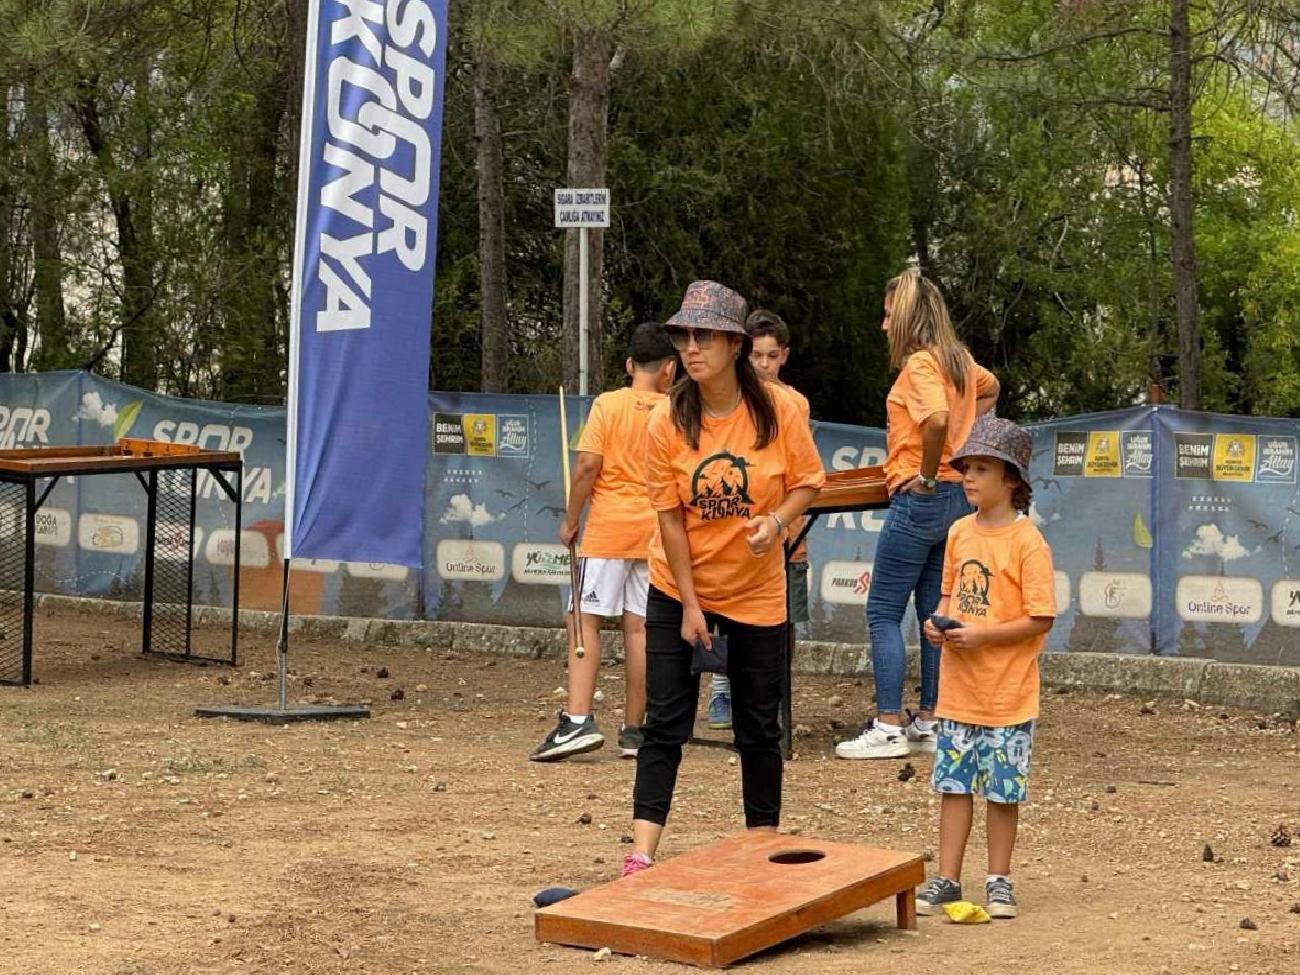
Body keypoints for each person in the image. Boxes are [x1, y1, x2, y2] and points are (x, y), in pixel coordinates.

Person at [623, 281, 824, 877]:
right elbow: (669, 517)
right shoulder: (666, 418)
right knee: (664, 721)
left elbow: (809, 482)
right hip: (677, 586)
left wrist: (778, 522)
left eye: (705, 335)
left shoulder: (780, 409)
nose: (691, 346)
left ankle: (763, 849)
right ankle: (641, 853)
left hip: (757, 591)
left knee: (759, 726)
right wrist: (689, 605)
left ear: (736, 343)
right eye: (685, 334)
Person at [836, 268, 999, 760]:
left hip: (923, 498)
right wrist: (965, 448)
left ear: (907, 318)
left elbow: (937, 420)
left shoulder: (921, 367)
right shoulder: (960, 361)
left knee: (883, 610)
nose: (884, 326)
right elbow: (989, 390)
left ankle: (888, 723)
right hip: (955, 500)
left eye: (889, 316)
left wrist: (928, 472)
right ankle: (930, 718)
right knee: (934, 613)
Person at [913, 415, 1056, 919]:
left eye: (981, 469)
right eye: (966, 468)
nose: (968, 478)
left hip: (1008, 695)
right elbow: (949, 592)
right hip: (958, 691)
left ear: (1012, 480)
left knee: (1002, 791)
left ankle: (999, 880)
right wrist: (938, 623)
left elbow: (1040, 618)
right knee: (952, 785)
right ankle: (947, 879)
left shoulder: (1027, 542)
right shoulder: (957, 532)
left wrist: (982, 636)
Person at [530, 322, 678, 762]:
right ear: (670, 369)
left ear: (631, 364)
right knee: (640, 628)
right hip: (656, 534)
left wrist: (571, 520)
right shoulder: (675, 410)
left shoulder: (609, 404)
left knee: (583, 619)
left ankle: (577, 720)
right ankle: (635, 731)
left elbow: (587, 468)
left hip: (610, 530)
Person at [706, 309, 814, 731]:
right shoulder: (725, 402)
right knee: (723, 615)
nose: (763, 365)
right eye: (756, 356)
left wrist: (782, 519)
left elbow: (802, 473)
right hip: (731, 533)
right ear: (741, 356)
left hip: (786, 535)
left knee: (784, 621)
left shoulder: (795, 404)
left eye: (771, 356)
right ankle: (720, 686)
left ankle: (774, 697)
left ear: (783, 356)